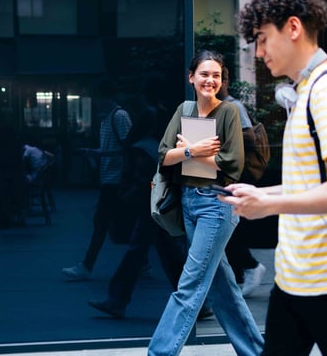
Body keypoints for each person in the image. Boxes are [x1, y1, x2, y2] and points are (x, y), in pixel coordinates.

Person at [221, 0, 327, 356]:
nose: (259, 52)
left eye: (261, 38)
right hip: (295, 277)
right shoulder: (307, 91)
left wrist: (269, 205)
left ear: (292, 27)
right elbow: (308, 181)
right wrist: (262, 192)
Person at [147, 50, 264, 356]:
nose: (210, 80)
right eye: (204, 74)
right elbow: (164, 154)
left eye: (216, 75)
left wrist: (192, 151)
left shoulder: (228, 112)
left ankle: (158, 353)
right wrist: (193, 150)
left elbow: (232, 165)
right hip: (188, 201)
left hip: (216, 204)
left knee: (190, 284)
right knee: (222, 288)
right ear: (191, 77)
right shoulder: (184, 109)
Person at [87, 75, 188, 319]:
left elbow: (130, 141)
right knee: (162, 246)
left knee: (143, 244)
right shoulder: (172, 114)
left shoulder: (149, 114)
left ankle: (118, 298)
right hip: (161, 184)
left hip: (148, 184)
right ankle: (194, 299)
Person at [62, 78, 132, 281]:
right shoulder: (108, 119)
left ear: (105, 97)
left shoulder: (119, 117)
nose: (95, 102)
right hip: (111, 178)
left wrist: (98, 155)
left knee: (102, 222)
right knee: (123, 223)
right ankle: (142, 261)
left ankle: (87, 265)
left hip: (116, 178)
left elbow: (127, 149)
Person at [218, 65, 267, 297]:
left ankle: (251, 266)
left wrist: (222, 137)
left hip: (237, 174)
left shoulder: (234, 106)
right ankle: (243, 270)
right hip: (225, 173)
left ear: (225, 80)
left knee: (230, 228)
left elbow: (248, 135)